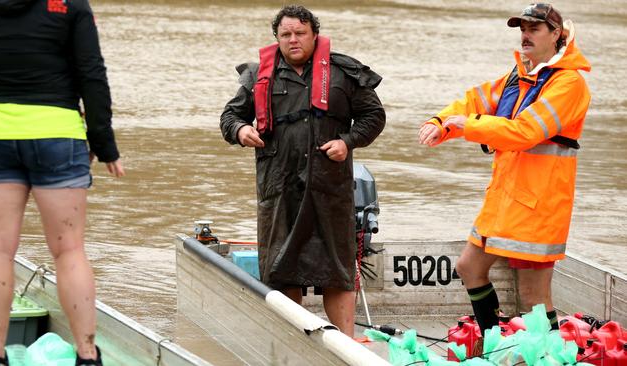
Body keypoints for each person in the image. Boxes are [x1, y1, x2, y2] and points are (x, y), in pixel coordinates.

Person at [418, 2, 590, 350]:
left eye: (534, 29)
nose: (525, 35)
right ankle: (494, 342)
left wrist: (469, 128)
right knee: (469, 267)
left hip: (540, 204)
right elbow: (474, 101)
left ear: (556, 35)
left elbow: (525, 132)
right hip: (505, 198)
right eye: (522, 29)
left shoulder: (569, 84)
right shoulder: (519, 75)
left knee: (534, 294)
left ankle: (545, 355)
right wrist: (441, 123)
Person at [220, 5, 385, 337]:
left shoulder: (343, 72)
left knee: (337, 271)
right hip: (278, 190)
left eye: (300, 33)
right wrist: (240, 130)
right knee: (282, 269)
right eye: (285, 34)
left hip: (330, 190)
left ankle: (346, 345)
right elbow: (229, 117)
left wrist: (348, 142)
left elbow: (374, 117)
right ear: (277, 38)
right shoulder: (257, 76)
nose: (293, 40)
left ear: (314, 35)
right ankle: (292, 344)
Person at [0, 0, 124, 364]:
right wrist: (105, 145)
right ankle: (87, 356)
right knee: (69, 250)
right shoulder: (71, 4)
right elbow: (91, 72)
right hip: (57, 134)